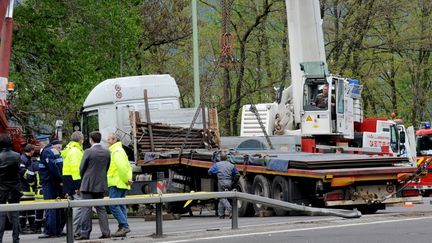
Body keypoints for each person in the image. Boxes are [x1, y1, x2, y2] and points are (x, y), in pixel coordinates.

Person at [76, 131, 111, 240]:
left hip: (88, 185)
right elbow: (107, 168)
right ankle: (106, 232)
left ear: (91, 139)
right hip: (100, 184)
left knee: (86, 209)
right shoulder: (107, 152)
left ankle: (85, 233)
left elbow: (82, 168)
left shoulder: (88, 152)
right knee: (101, 209)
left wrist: (84, 178)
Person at [38, 138, 65, 239]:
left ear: (42, 143)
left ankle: (50, 231)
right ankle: (58, 230)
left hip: (49, 182)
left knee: (50, 206)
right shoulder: (54, 151)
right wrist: (61, 180)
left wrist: (59, 179)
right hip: (56, 182)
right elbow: (59, 166)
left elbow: (52, 167)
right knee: (57, 207)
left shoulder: (46, 152)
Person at [107, 133, 132, 237]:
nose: (107, 141)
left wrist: (126, 179)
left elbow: (122, 167)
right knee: (121, 205)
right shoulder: (119, 151)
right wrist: (128, 179)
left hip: (117, 182)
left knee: (113, 205)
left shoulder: (116, 152)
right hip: (121, 182)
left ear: (114, 140)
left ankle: (124, 226)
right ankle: (122, 227)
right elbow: (128, 167)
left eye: (109, 139)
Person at [61, 131, 84, 237]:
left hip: (68, 181)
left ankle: (72, 229)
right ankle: (71, 230)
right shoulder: (76, 151)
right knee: (78, 207)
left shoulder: (69, 149)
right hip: (74, 181)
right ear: (80, 140)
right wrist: (78, 186)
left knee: (74, 207)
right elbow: (76, 170)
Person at [0, 134, 22, 243]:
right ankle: (16, 239)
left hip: (2, 189)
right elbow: (20, 172)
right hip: (15, 188)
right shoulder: (17, 156)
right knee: (15, 216)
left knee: (1, 215)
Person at [208, 151, 240, 219]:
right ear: (227, 158)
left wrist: (215, 175)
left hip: (221, 181)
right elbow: (237, 174)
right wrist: (233, 182)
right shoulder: (231, 165)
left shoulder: (217, 164)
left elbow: (210, 171)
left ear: (220, 158)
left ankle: (230, 210)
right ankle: (221, 214)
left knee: (222, 197)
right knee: (223, 198)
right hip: (229, 182)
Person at [18, 144, 38, 234]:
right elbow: (23, 172)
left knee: (30, 209)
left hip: (28, 189)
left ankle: (31, 226)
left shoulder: (26, 159)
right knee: (24, 210)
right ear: (31, 151)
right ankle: (22, 227)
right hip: (25, 188)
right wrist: (31, 181)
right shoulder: (23, 159)